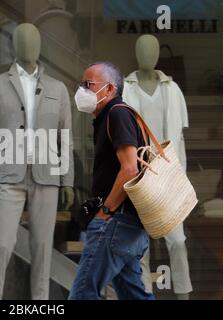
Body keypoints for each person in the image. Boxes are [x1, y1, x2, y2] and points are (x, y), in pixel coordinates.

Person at [68, 61, 154, 300]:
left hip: (116, 222)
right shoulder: (112, 115)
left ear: (108, 89)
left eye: (88, 84)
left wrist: (105, 212)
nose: (81, 90)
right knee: (133, 294)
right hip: (129, 224)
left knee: (83, 293)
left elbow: (130, 169)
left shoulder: (117, 114)